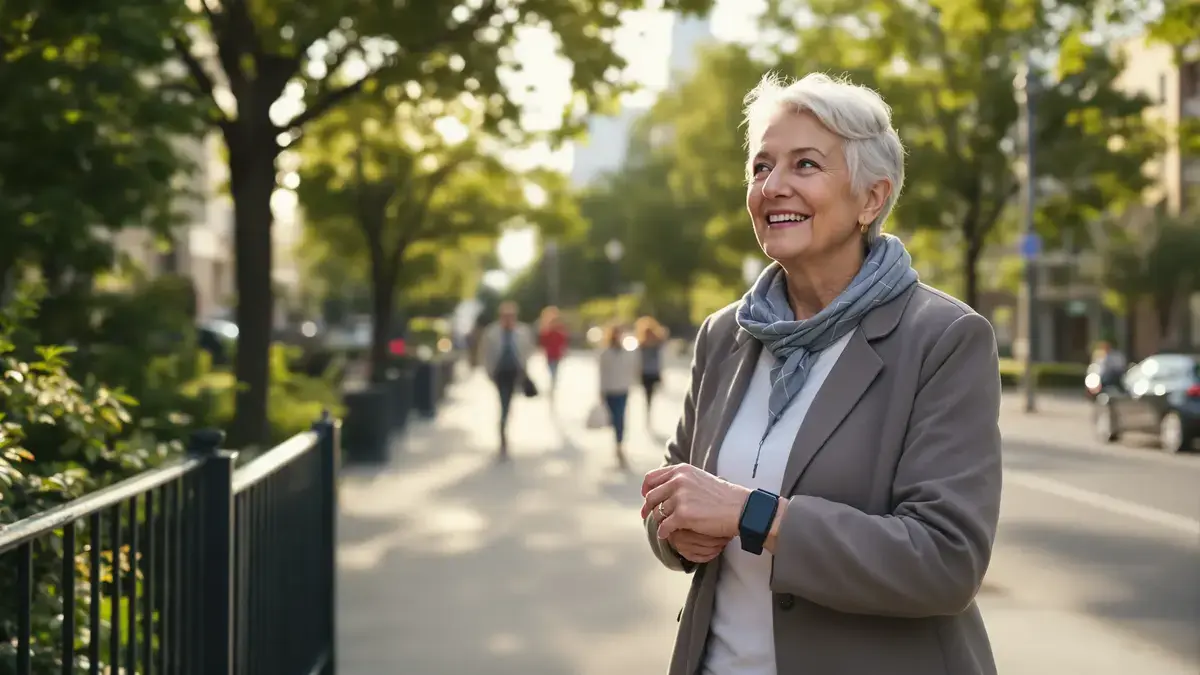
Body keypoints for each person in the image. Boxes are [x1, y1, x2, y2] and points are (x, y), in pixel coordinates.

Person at [639, 72, 1002, 675]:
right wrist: (674, 533)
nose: (773, 186)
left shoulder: (943, 339)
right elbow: (675, 494)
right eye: (761, 167)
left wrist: (756, 516)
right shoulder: (724, 336)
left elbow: (946, 560)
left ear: (871, 198)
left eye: (805, 165)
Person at [478, 301, 535, 459]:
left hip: (515, 372)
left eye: (512, 316)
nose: (509, 319)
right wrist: (489, 372)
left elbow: (528, 350)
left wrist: (524, 369)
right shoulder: (492, 333)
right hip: (500, 373)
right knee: (504, 403)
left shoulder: (522, 331)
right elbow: (485, 354)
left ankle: (504, 424)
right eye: (506, 316)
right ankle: (503, 434)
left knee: (508, 404)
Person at [598, 323, 638, 470]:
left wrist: (632, 383)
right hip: (609, 389)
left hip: (622, 389)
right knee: (613, 418)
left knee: (620, 417)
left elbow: (633, 368)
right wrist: (601, 391)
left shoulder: (628, 351)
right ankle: (617, 440)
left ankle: (619, 444)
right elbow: (601, 373)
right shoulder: (605, 352)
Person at [634, 315, 669, 423]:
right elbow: (637, 359)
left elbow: (665, 336)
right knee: (647, 393)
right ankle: (648, 410)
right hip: (645, 372)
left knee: (651, 393)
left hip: (654, 371)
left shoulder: (657, 343)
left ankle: (649, 409)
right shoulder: (642, 344)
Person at [538, 305, 569, 394]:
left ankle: (553, 383)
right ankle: (552, 383)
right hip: (550, 354)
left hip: (556, 354)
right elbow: (543, 343)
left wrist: (564, 351)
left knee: (555, 370)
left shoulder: (560, 331)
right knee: (552, 369)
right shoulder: (547, 332)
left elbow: (563, 343)